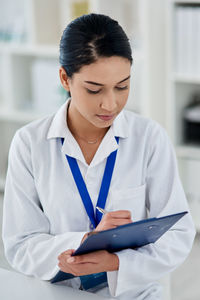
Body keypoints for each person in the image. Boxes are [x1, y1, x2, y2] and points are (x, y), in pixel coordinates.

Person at [2, 13, 196, 300]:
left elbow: (178, 234)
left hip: (135, 293)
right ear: (65, 79)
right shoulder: (29, 144)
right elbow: (20, 244)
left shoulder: (149, 138)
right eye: (94, 89)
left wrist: (116, 262)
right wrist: (81, 244)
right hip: (58, 291)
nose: (110, 104)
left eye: (122, 86)